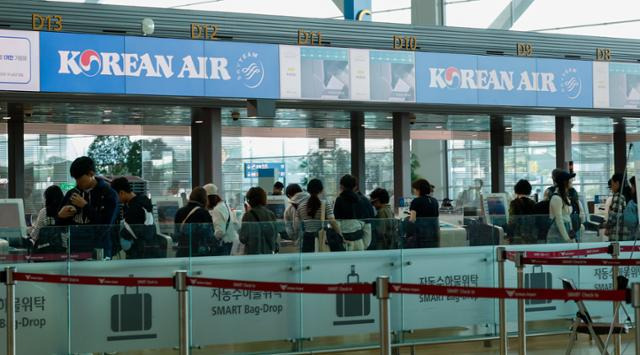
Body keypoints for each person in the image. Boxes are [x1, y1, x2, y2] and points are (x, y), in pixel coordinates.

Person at [56, 156, 119, 258]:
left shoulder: (109, 194)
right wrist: (60, 216)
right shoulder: (72, 193)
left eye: (80, 179)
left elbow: (105, 226)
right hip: (74, 251)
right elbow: (60, 225)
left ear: (91, 174)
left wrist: (85, 206)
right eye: (75, 179)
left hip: (99, 251)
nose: (77, 183)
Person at [111, 177, 159, 259]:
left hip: (139, 253)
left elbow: (131, 234)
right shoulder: (142, 200)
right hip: (150, 249)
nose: (116, 199)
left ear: (122, 193)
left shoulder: (133, 209)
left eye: (116, 196)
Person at [296, 179, 342, 252]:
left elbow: (297, 225)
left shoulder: (301, 206)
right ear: (321, 190)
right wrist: (340, 235)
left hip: (307, 240)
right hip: (322, 239)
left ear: (308, 190)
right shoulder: (325, 204)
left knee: (309, 262)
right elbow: (332, 221)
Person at [333, 175, 373, 251]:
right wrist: (364, 244)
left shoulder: (339, 200)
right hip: (359, 240)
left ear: (341, 186)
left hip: (345, 241)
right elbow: (367, 225)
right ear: (355, 187)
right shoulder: (361, 200)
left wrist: (341, 239)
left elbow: (337, 222)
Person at [174, 187, 215, 257]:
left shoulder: (180, 211)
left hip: (183, 250)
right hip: (199, 252)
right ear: (204, 199)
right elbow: (209, 235)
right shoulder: (204, 213)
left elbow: (176, 235)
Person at [239, 187, 278, 254]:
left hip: (252, 254)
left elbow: (243, 238)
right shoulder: (271, 214)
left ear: (250, 200)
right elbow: (274, 236)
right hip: (267, 253)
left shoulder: (248, 215)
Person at [29, 185, 66, 253]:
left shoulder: (44, 212)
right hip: (64, 251)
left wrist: (30, 232)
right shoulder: (66, 211)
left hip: (47, 250)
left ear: (47, 199)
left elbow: (35, 234)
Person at [204, 183, 238, 256]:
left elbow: (220, 232)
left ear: (208, 198)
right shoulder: (225, 205)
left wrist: (211, 239)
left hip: (222, 245)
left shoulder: (217, 209)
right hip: (229, 242)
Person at [407, 179, 440, 248]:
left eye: (414, 189)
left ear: (418, 190)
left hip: (420, 235)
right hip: (433, 234)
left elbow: (412, 219)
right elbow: (436, 217)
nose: (413, 190)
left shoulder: (416, 201)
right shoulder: (434, 201)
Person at [547, 171, 576, 243]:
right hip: (558, 233)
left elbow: (567, 217)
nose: (572, 181)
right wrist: (567, 238)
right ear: (565, 182)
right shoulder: (556, 198)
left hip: (566, 228)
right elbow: (559, 220)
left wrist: (571, 237)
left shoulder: (564, 197)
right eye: (570, 179)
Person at [506, 179, 536, 244]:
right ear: (529, 190)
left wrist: (509, 234)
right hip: (530, 235)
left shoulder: (514, 203)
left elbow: (511, 220)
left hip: (517, 235)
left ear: (516, 190)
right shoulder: (533, 203)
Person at [605, 173, 628, 240]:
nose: (611, 187)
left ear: (617, 183)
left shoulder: (618, 196)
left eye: (612, 184)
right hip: (623, 232)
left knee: (615, 249)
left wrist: (607, 227)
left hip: (616, 233)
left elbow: (614, 215)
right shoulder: (625, 196)